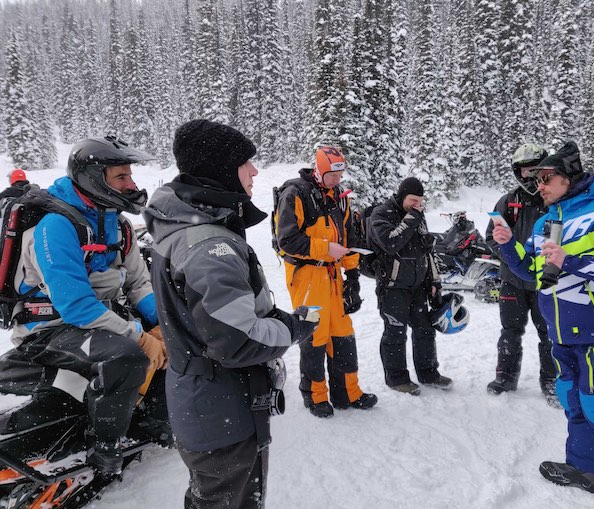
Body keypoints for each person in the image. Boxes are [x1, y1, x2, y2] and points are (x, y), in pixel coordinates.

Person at [143, 119, 318, 509]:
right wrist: (293, 328)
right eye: (246, 163)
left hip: (204, 403)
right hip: (222, 409)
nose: (255, 171)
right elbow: (238, 342)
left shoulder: (186, 228)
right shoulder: (209, 246)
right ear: (222, 169)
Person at [492, 141, 594, 505]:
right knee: (572, 400)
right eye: (537, 179)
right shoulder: (547, 222)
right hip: (561, 332)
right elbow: (533, 271)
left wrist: (571, 261)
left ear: (569, 178)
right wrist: (508, 244)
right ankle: (586, 470)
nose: (539, 185)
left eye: (547, 178)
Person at [5, 137, 166, 477]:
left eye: (130, 176)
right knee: (126, 357)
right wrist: (139, 337)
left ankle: (153, 417)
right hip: (49, 327)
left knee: (177, 333)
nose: (131, 185)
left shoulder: (118, 224)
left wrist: (162, 323)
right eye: (121, 177)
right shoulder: (57, 225)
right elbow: (75, 305)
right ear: (94, 177)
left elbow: (137, 283)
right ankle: (104, 449)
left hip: (99, 316)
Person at [275, 145, 377, 418]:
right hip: (306, 275)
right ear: (318, 170)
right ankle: (316, 396)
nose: (337, 180)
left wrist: (353, 277)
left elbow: (349, 240)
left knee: (343, 332)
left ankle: (347, 392)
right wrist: (324, 249)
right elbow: (287, 240)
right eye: (332, 175)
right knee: (314, 335)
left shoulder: (340, 198)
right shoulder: (295, 194)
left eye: (340, 174)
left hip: (333, 276)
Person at [485, 144, 558, 405]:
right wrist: (509, 255)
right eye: (524, 171)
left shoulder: (555, 200)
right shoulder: (509, 201)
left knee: (549, 333)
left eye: (534, 170)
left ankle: (552, 381)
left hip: (547, 281)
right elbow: (490, 237)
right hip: (513, 281)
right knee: (510, 331)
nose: (529, 176)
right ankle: (506, 375)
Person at [368, 177, 452, 395]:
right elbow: (390, 242)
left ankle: (428, 373)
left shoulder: (418, 216)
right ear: (401, 196)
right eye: (413, 200)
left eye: (420, 202)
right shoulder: (382, 214)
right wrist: (413, 217)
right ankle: (396, 378)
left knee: (425, 330)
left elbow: (428, 250)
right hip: (393, 286)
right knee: (396, 332)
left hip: (418, 286)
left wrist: (434, 280)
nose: (417, 205)